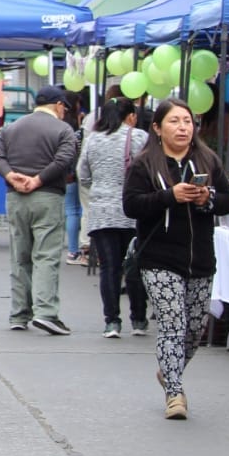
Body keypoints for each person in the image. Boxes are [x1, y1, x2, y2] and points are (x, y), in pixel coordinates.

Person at [123, 98, 229, 420]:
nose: (183, 127)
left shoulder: (207, 159)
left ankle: (169, 369)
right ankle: (175, 393)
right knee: (172, 324)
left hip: (200, 256)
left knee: (194, 330)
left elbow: (228, 201)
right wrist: (169, 197)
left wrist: (207, 197)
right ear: (157, 128)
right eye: (174, 121)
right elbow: (131, 205)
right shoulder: (145, 163)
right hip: (159, 257)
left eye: (187, 121)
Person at [0, 86, 78, 335]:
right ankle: (46, 312)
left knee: (20, 255)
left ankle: (18, 313)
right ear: (59, 105)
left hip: (15, 198)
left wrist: (11, 175)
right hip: (48, 196)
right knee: (46, 255)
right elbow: (63, 161)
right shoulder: (64, 130)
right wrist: (38, 180)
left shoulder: (11, 128)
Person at [79, 96, 149, 339]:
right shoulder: (139, 136)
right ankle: (139, 319)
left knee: (109, 267)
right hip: (134, 210)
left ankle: (112, 322)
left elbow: (83, 175)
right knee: (135, 266)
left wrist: (101, 185)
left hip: (101, 212)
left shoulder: (92, 139)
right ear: (130, 116)